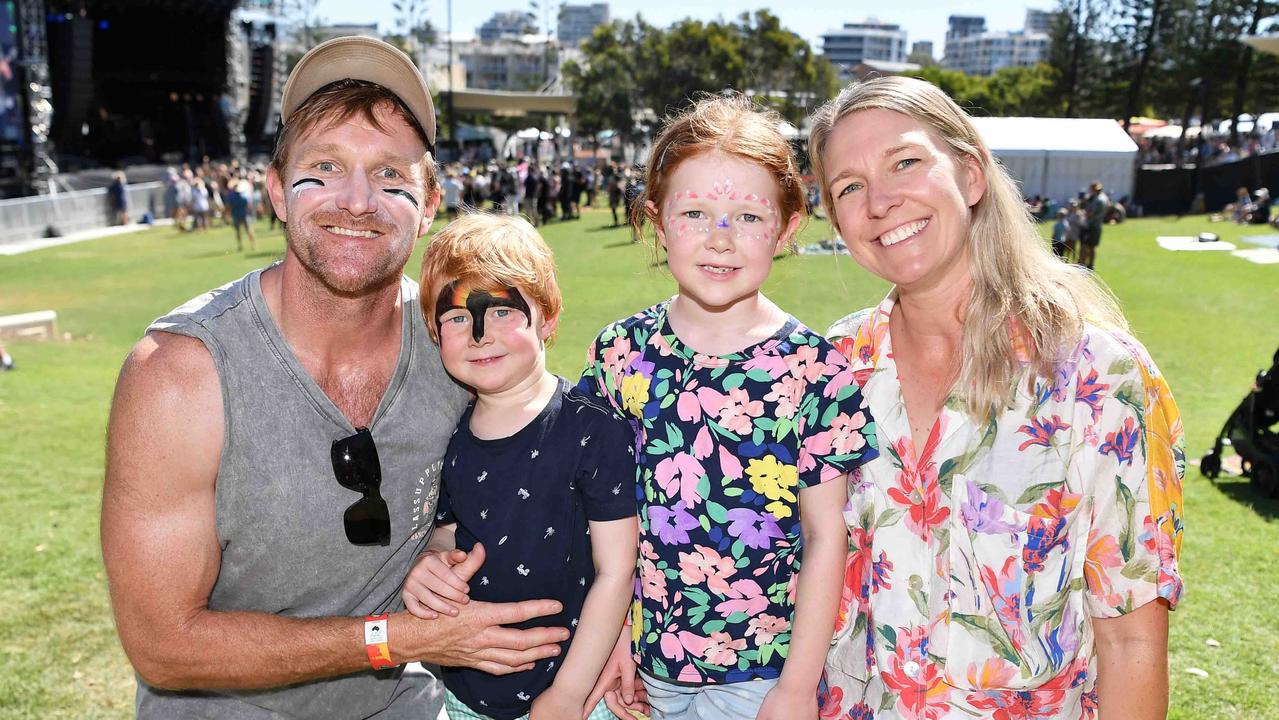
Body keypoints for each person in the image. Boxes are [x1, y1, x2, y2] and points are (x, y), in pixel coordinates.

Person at [101, 36, 571, 719]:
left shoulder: (464, 348)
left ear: (431, 201)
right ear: (275, 193)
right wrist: (398, 637)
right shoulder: (180, 375)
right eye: (324, 168)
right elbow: (163, 645)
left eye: (390, 177)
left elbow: (558, 482)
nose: (357, 201)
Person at [808, 75, 1184, 720]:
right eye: (848, 186)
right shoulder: (828, 369)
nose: (880, 201)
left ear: (972, 175)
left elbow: (1129, 639)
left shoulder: (1096, 377)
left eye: (905, 162)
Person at [580, 95, 879, 720]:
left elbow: (828, 538)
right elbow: (599, 517)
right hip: (647, 665)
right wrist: (608, 639)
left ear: (788, 227)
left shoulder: (815, 370)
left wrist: (797, 688)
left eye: (747, 216)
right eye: (695, 212)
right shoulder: (621, 355)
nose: (721, 239)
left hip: (763, 677)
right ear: (658, 223)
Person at [411, 213, 639, 720]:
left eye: (501, 312)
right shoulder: (449, 434)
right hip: (466, 697)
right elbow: (449, 534)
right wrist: (428, 562)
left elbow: (617, 569)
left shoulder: (592, 430)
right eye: (455, 319)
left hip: (576, 696)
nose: (478, 334)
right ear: (434, 333)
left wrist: (569, 695)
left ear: (549, 317)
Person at [1080, 180, 1109, 270]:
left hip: (1092, 225)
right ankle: (1089, 265)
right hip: (1096, 224)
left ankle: (1085, 264)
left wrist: (1084, 213)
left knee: (1088, 246)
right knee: (1090, 246)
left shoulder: (1099, 200)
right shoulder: (1101, 198)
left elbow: (1090, 213)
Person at [227, 178, 258, 252]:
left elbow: (229, 207)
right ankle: (253, 244)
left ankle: (240, 245)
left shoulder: (231, 197)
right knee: (249, 230)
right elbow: (249, 206)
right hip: (245, 214)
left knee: (238, 231)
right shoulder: (244, 196)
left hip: (236, 215)